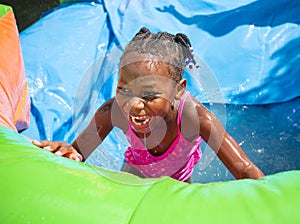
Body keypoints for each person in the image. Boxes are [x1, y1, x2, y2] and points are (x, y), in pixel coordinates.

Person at [32, 27, 264, 183]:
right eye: (124, 90)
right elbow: (78, 153)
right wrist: (66, 152)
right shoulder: (112, 113)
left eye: (149, 96)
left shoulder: (195, 118)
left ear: (178, 89)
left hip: (179, 178)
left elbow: (244, 169)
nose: (134, 105)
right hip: (135, 171)